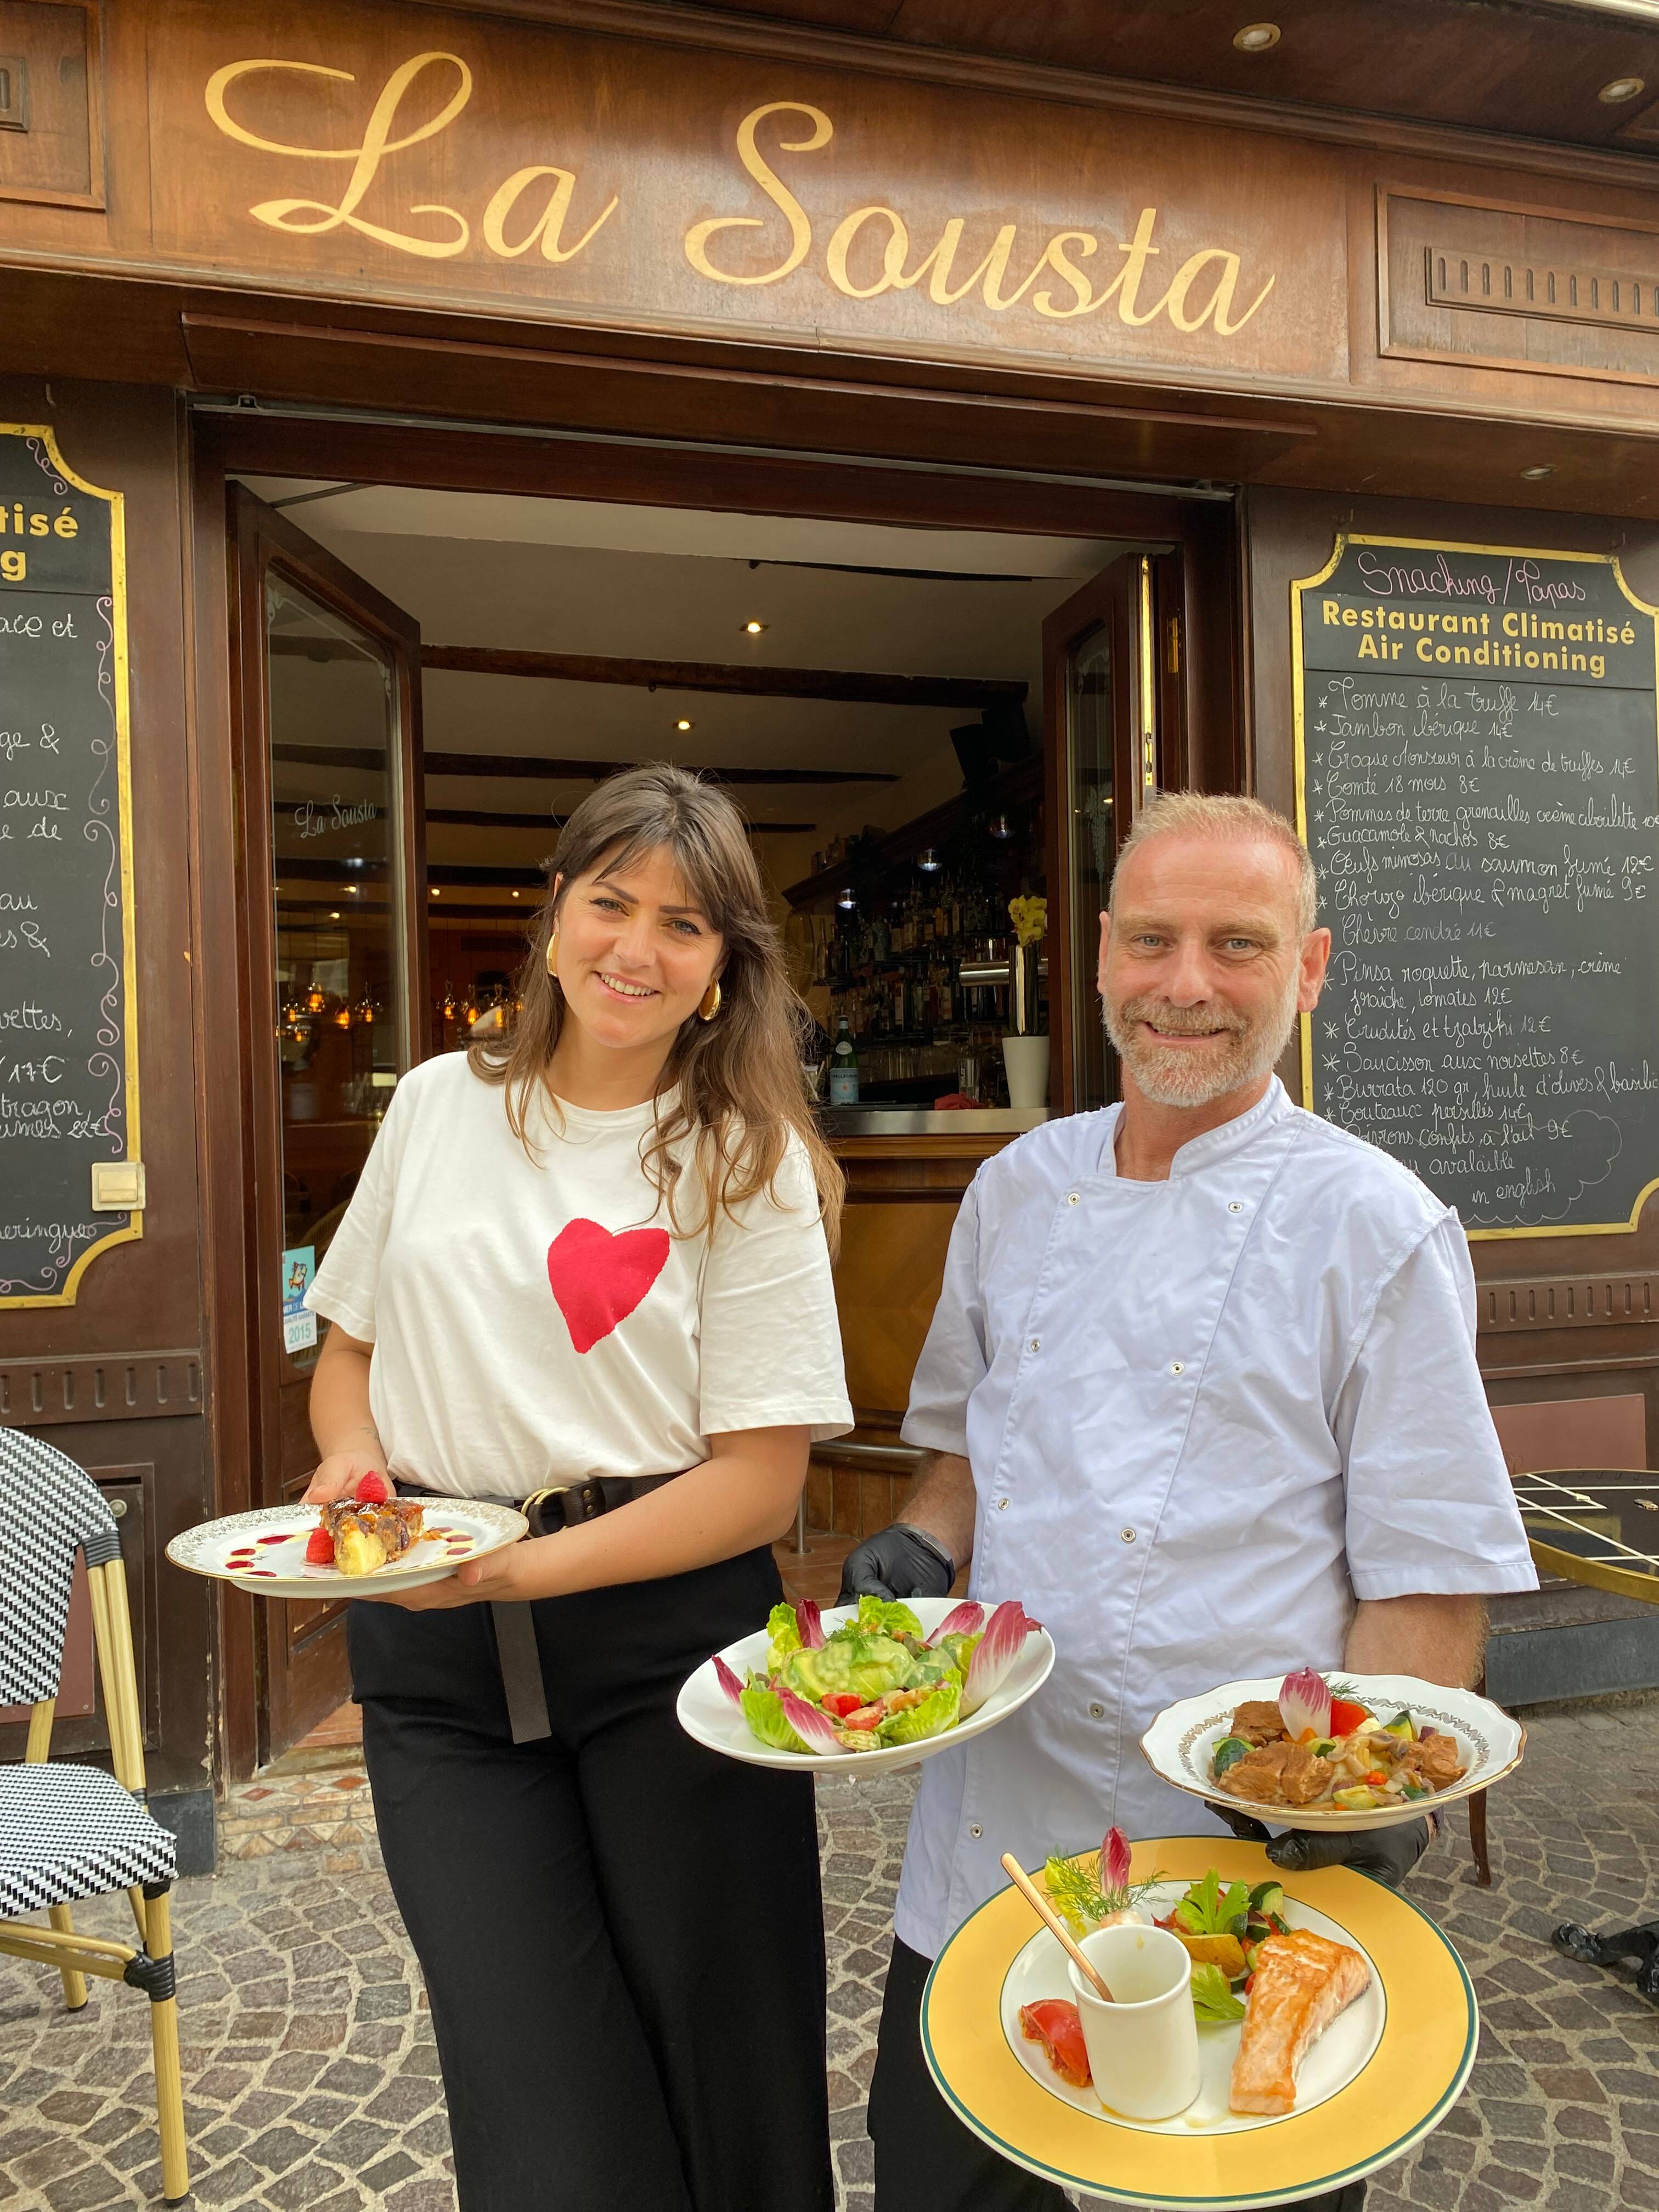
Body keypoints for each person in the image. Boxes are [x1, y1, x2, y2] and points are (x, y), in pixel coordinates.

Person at [842, 791, 1538, 2212]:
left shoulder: (1376, 1227)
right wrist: (926, 1540)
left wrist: (1358, 1810)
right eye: (1153, 940)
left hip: (1236, 1860)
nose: (1187, 985)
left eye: (1239, 944)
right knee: (936, 2184)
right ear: (1098, 957)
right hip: (1000, 1846)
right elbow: (962, 1447)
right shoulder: (1015, 1189)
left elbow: (1424, 1579)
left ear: (1312, 965)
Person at [302, 764, 853, 2212]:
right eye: (609, 903)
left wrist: (510, 1571)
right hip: (434, 1667)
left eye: (683, 923)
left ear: (724, 969)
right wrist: (353, 1463)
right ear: (552, 919)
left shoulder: (750, 1160)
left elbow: (758, 1487)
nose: (636, 947)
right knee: (530, 2085)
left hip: (673, 1648)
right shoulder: (434, 1105)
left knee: (732, 2066)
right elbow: (346, 1347)